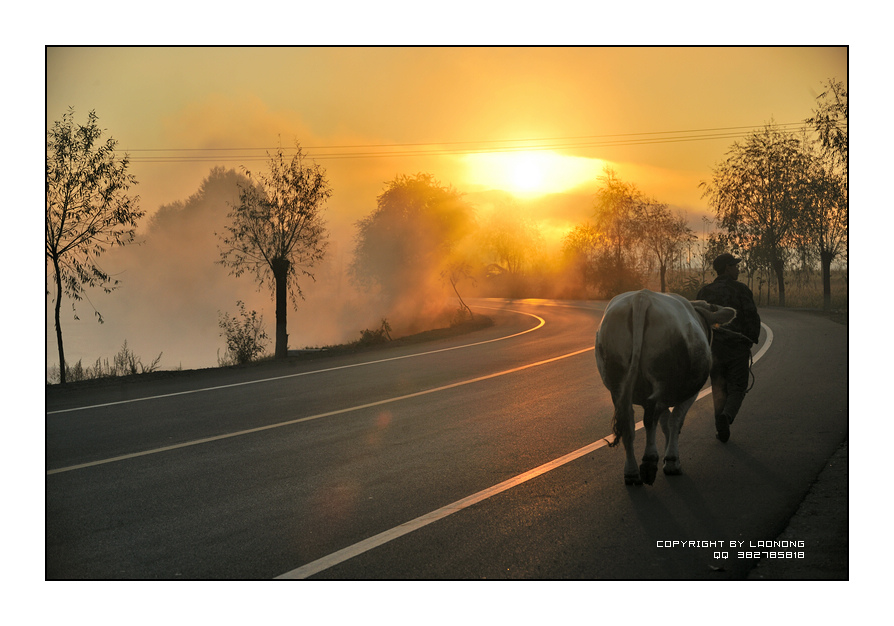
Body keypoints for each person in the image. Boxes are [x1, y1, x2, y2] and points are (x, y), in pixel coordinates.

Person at [696, 253, 761, 443]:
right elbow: (751, 316)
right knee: (738, 387)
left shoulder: (704, 292)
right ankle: (728, 416)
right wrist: (750, 340)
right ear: (726, 268)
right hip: (737, 347)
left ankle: (720, 428)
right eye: (734, 265)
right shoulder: (741, 290)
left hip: (713, 348)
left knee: (718, 388)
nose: (738, 269)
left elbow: (698, 321)